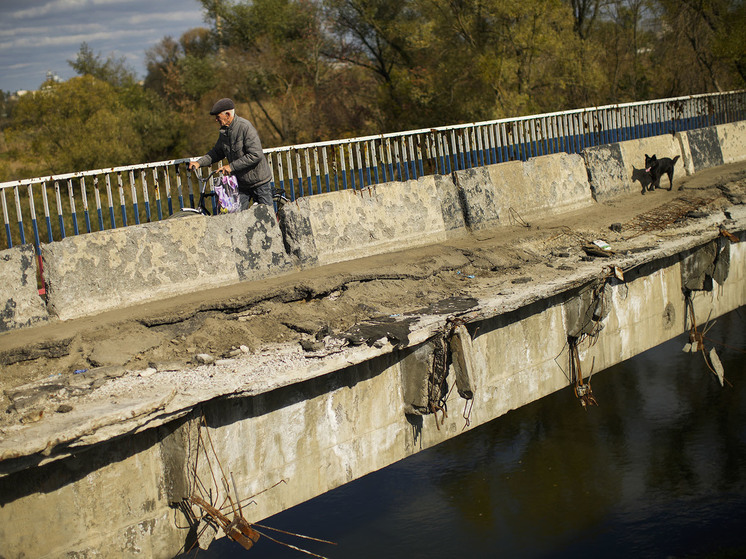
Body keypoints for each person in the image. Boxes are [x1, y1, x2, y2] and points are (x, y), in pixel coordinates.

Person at [188, 98, 273, 209]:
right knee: (237, 217)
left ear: (227, 114)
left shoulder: (245, 127)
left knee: (267, 218)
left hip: (259, 183)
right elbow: (216, 152)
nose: (216, 120)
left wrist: (231, 167)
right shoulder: (224, 132)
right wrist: (199, 163)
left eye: (218, 117)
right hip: (241, 184)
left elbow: (255, 155)